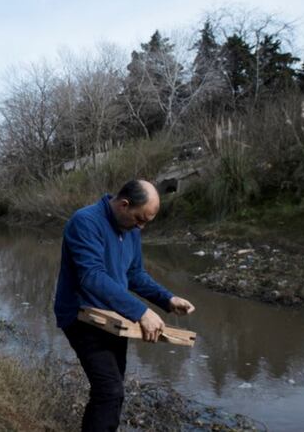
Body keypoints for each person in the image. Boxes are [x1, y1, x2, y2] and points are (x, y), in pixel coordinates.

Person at [53, 180, 195, 432]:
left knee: (112, 390)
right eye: (139, 219)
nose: (141, 226)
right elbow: (91, 276)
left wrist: (167, 299)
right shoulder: (85, 222)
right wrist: (141, 311)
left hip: (116, 320)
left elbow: (135, 274)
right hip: (82, 316)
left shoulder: (131, 230)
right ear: (124, 204)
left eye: (146, 222)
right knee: (110, 391)